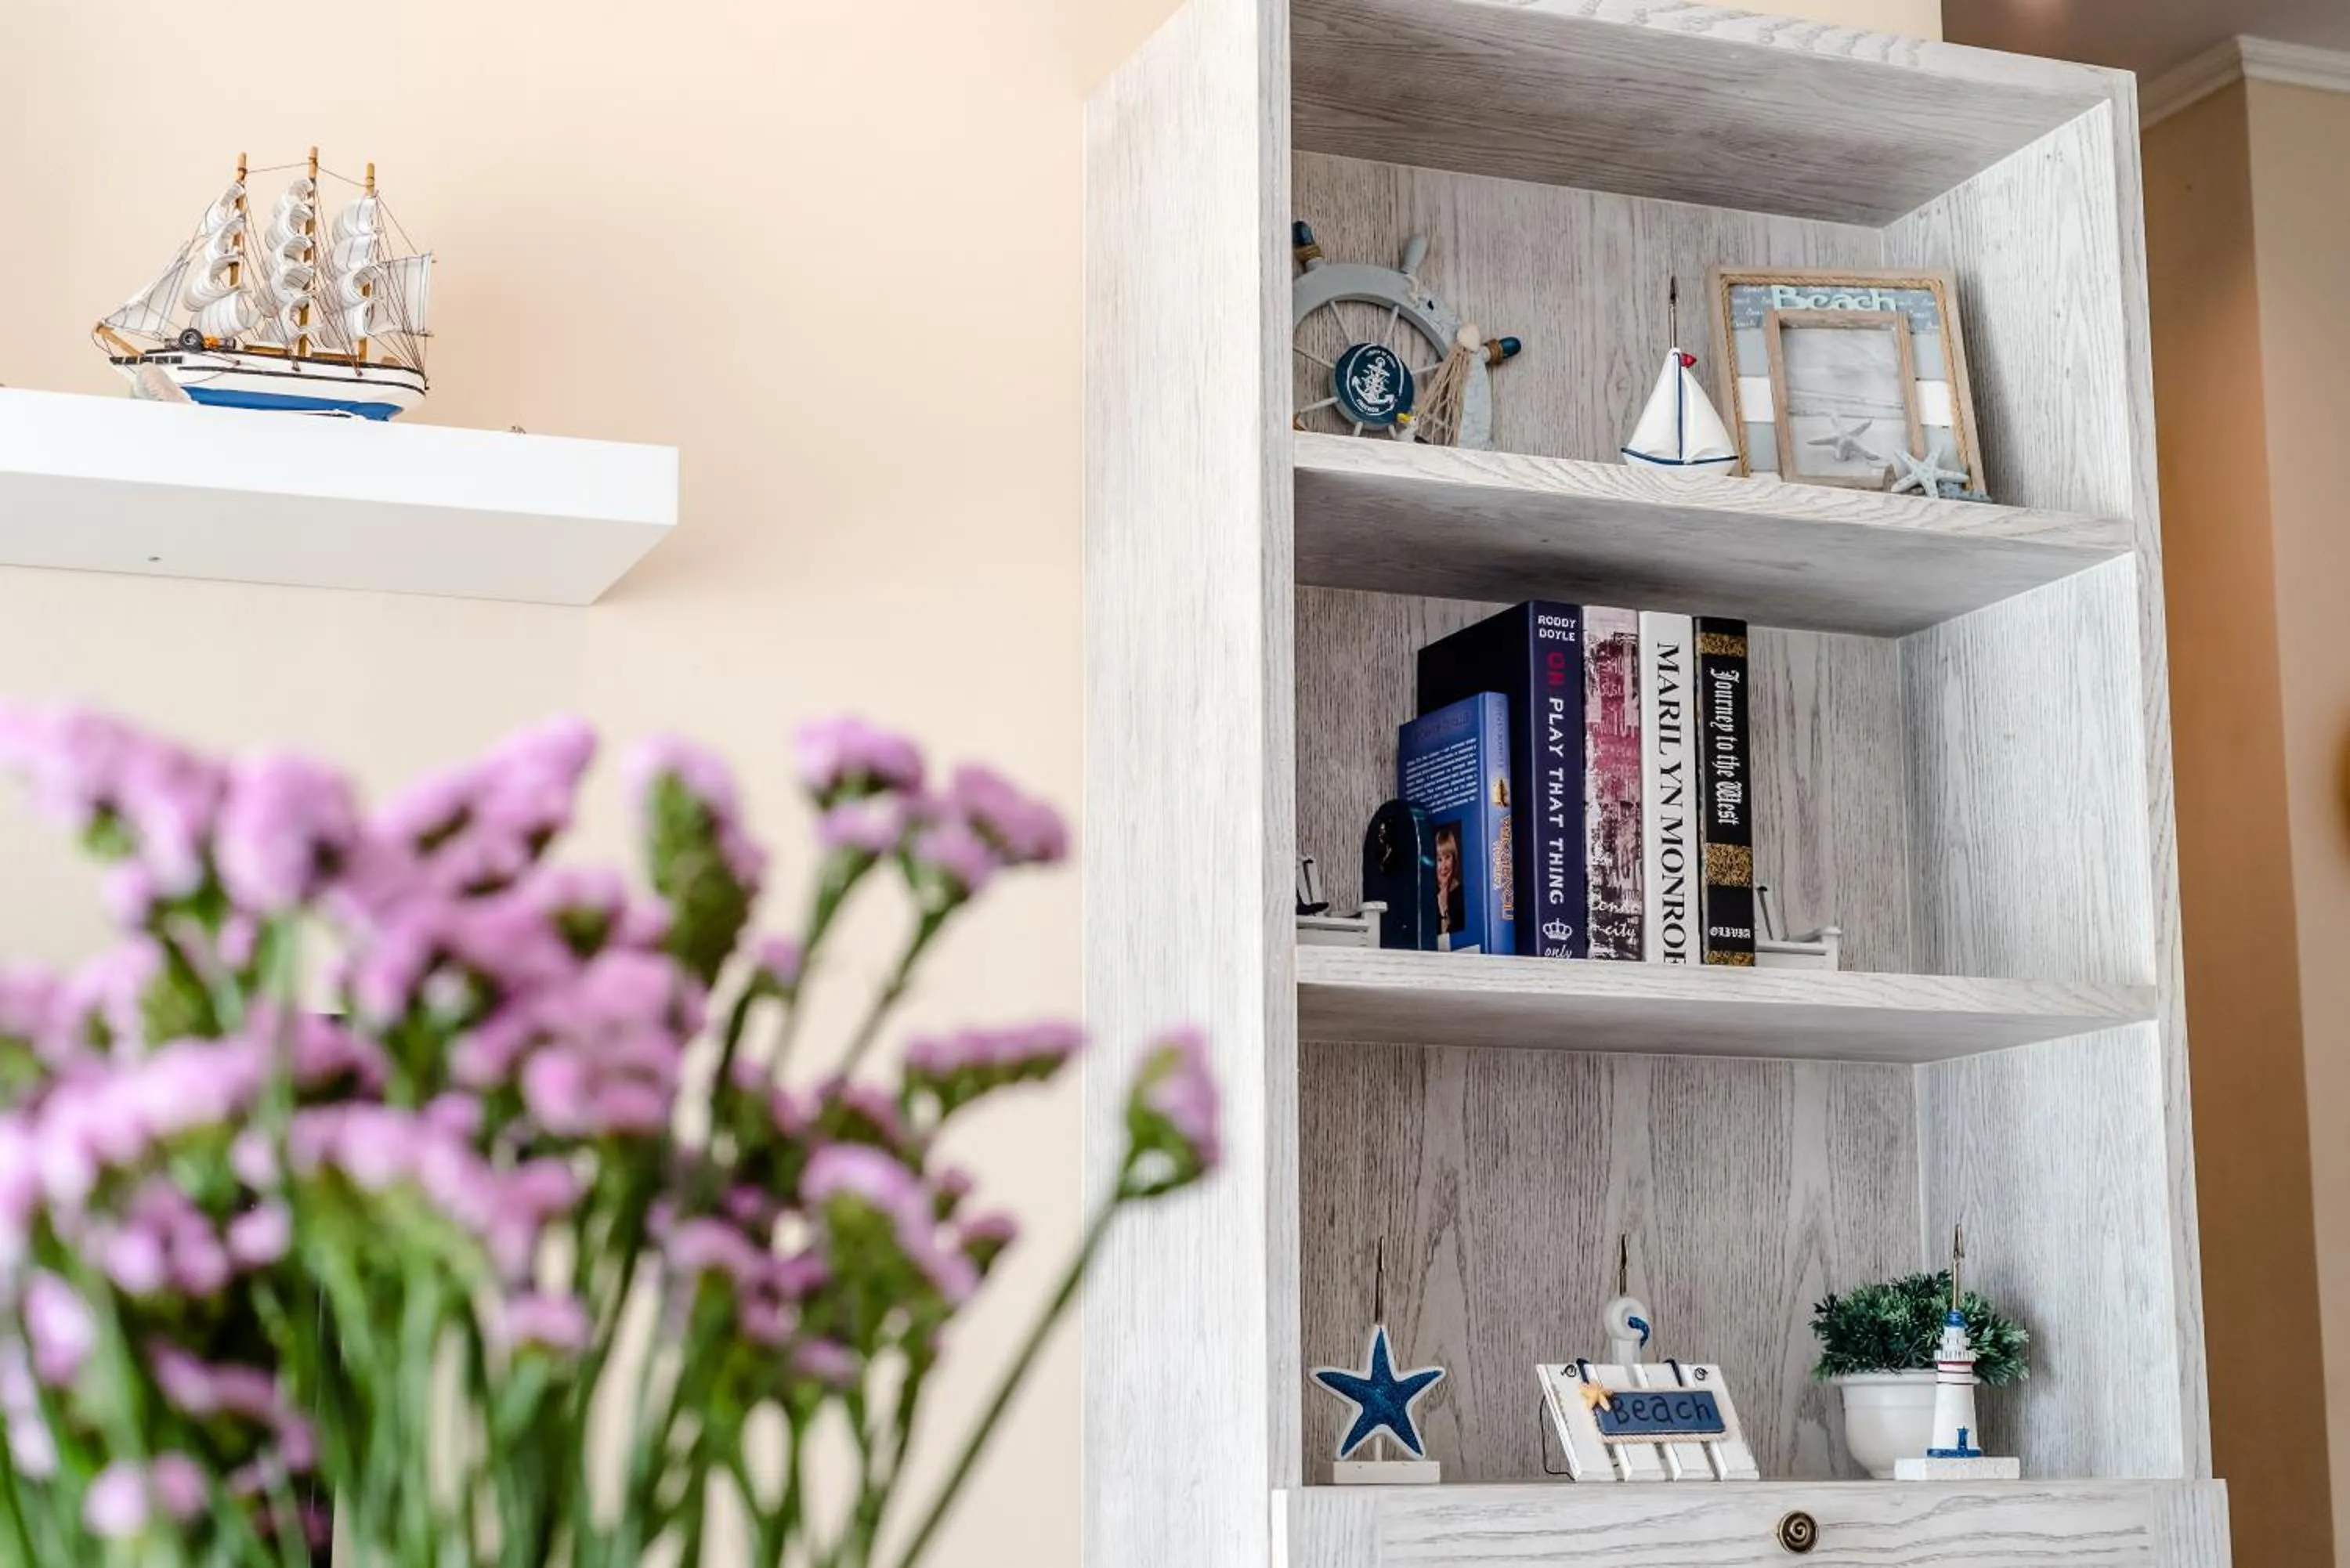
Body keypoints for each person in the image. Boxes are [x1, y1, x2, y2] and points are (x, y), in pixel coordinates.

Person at [1433, 821, 1466, 945]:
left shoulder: (1462, 895)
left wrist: (1444, 909)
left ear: (1454, 858)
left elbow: (1447, 946)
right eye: (1439, 860)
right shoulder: (1427, 893)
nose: (1444, 866)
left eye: (1447, 857)